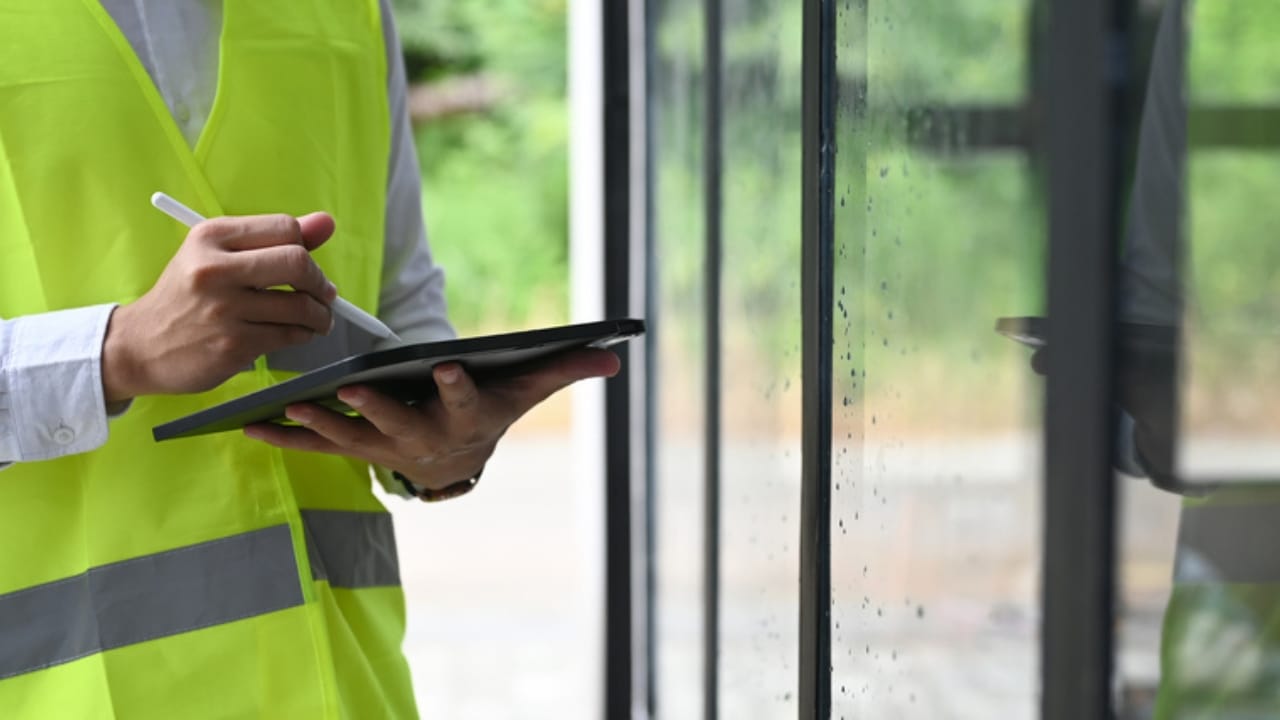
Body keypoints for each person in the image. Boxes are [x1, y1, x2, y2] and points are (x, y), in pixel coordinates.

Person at [0, 1, 618, 717]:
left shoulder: (351, 10)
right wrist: (113, 354)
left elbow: (402, 299)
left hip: (344, 687)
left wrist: (442, 444)